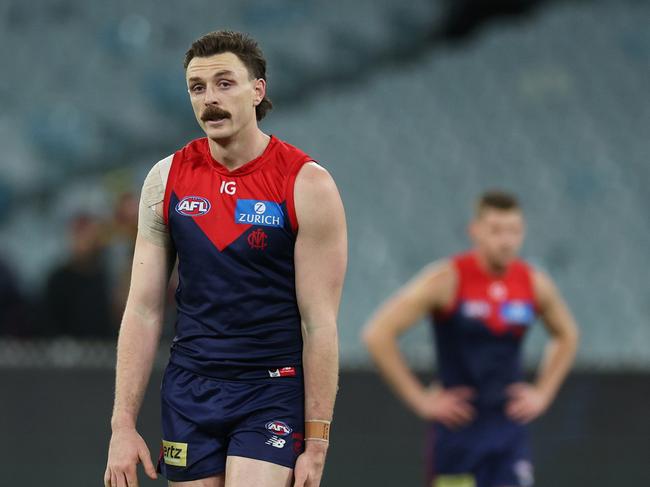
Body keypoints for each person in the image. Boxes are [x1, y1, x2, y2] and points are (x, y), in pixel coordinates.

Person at [104, 30, 347, 487]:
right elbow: (143, 308)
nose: (210, 99)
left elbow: (319, 323)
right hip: (190, 389)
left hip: (271, 388)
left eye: (224, 83)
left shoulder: (306, 185)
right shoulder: (165, 180)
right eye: (198, 88)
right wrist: (122, 425)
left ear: (258, 89)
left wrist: (317, 442)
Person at [363, 191, 578, 487]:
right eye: (496, 230)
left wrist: (543, 393)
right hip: (458, 433)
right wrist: (422, 401)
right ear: (475, 231)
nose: (506, 240)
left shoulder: (532, 283)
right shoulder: (447, 278)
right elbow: (378, 334)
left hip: (508, 431)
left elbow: (567, 335)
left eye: (514, 231)